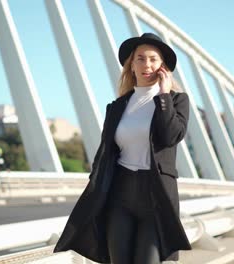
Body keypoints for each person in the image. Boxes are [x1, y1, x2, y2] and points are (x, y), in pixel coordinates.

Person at [53, 32, 192, 263]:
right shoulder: (117, 107)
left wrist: (164, 95)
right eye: (140, 58)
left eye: (153, 59)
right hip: (120, 194)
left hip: (155, 196)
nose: (146, 64)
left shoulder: (176, 101)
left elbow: (170, 137)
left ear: (162, 66)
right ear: (131, 65)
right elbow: (105, 152)